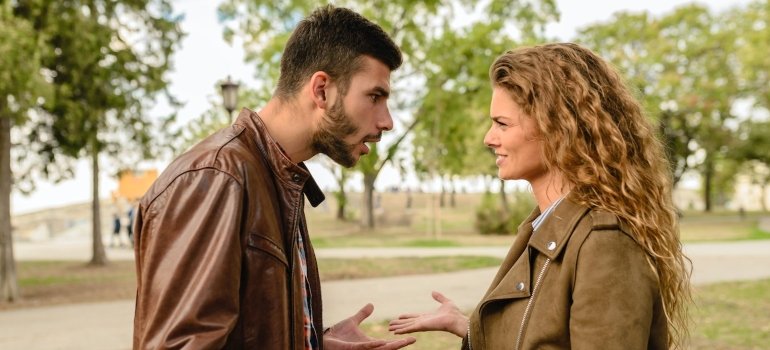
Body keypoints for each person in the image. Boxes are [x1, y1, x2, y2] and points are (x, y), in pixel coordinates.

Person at [132, 5, 415, 349]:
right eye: (375, 96)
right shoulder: (217, 178)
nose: (387, 121)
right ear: (322, 90)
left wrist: (311, 343)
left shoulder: (278, 176)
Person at [389, 43, 692, 349]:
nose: (488, 138)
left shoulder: (605, 241)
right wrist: (472, 329)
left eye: (502, 124)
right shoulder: (546, 226)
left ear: (559, 128)